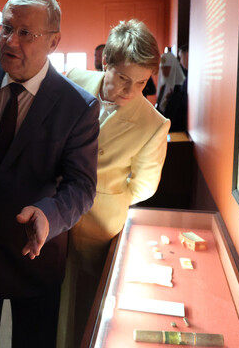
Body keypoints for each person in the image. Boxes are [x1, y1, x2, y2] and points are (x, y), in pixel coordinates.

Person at [0, 0, 99, 348]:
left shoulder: (77, 106)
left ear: (53, 41)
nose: (10, 41)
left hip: (33, 252)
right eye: (6, 28)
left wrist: (49, 215)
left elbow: (81, 186)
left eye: (25, 33)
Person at [58, 19, 169, 347]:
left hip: (99, 224)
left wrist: (109, 196)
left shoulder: (153, 123)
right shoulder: (73, 80)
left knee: (86, 305)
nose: (130, 91)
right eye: (122, 78)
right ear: (105, 61)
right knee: (48, 296)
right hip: (55, 208)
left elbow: (145, 186)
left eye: (141, 83)